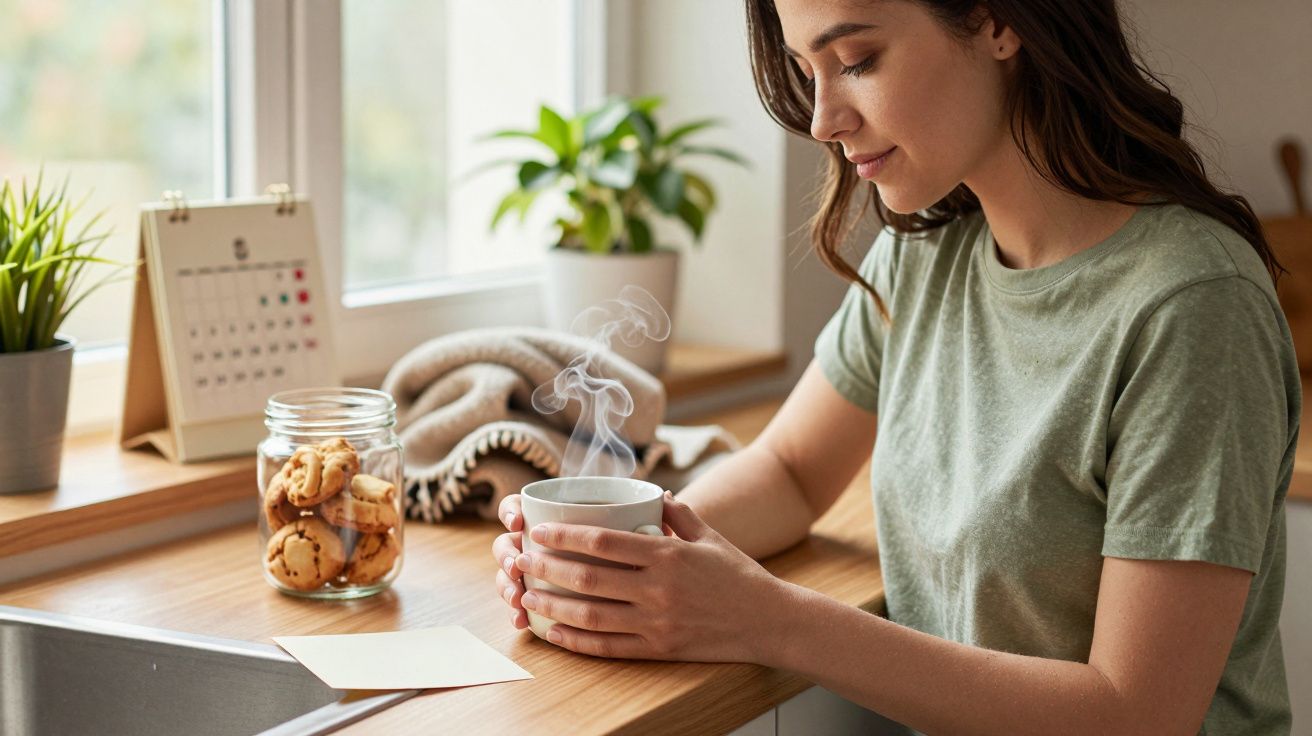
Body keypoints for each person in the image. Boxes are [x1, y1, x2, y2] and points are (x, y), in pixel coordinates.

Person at [491, 1, 1297, 733]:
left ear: (997, 21)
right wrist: (625, 562)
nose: (821, 119)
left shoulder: (1192, 305)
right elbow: (793, 469)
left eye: (857, 61)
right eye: (807, 70)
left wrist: (759, 617)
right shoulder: (927, 254)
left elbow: (1138, 715)